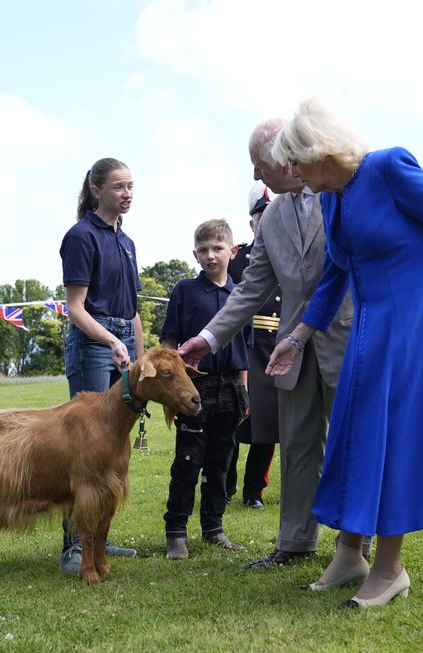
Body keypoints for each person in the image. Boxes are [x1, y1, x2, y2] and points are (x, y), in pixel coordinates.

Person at [266, 99, 423, 608]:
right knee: (354, 433)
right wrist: (297, 337)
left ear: (318, 152)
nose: (293, 173)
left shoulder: (389, 167)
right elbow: (335, 275)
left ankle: (390, 570)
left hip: (420, 319)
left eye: (295, 162)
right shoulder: (330, 197)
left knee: (398, 437)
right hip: (372, 324)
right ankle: (350, 554)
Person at [178, 118, 353, 569]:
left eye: (259, 165)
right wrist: (207, 337)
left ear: (284, 159)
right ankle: (296, 542)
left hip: (346, 339)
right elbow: (250, 290)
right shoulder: (272, 217)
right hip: (290, 349)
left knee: (352, 442)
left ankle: (357, 543)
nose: (257, 177)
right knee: (296, 445)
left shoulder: (342, 194)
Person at [58, 157, 142, 572]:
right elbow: (75, 308)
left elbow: (134, 312)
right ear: (96, 190)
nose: (127, 194)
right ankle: (73, 549)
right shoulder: (80, 236)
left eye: (131, 186)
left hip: (124, 342)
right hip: (94, 343)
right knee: (86, 450)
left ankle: (99, 541)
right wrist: (110, 340)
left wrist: (139, 364)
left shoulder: (126, 243)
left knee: (114, 450)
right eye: (119, 187)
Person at [159, 219, 249, 560]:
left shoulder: (242, 294)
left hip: (230, 390)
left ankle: (214, 527)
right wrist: (172, 392)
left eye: (218, 248)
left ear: (232, 251)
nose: (211, 256)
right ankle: (176, 532)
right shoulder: (185, 291)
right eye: (204, 250)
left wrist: (245, 395)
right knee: (188, 460)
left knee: (220, 462)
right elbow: (169, 346)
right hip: (194, 389)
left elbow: (244, 352)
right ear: (195, 254)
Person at [225, 182, 279, 510]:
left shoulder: (289, 257)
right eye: (263, 215)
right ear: (253, 222)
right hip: (241, 349)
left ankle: (254, 490)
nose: (268, 222)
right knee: (233, 422)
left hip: (274, 348)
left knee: (268, 426)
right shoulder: (235, 259)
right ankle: (226, 483)